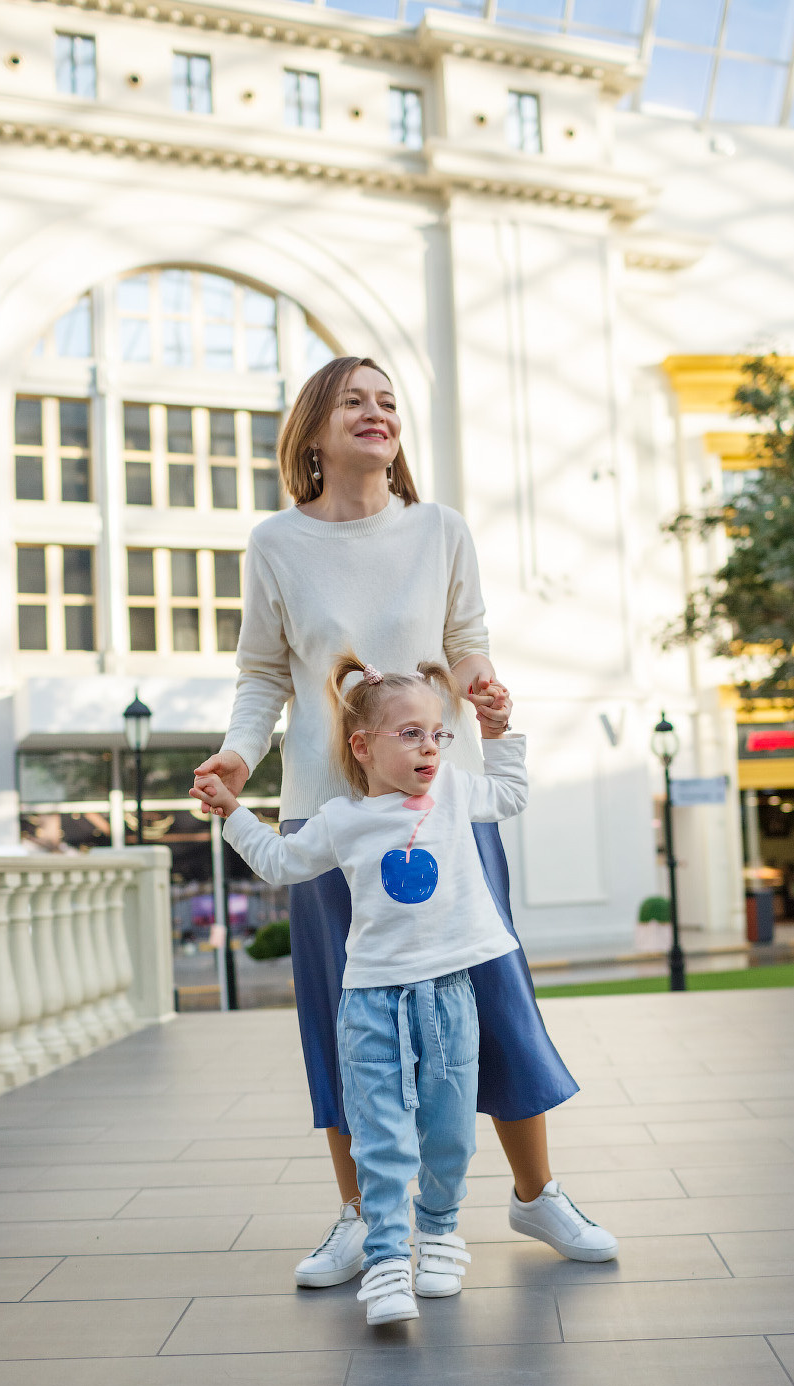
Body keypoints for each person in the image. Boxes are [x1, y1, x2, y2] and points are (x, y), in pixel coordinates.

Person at [193, 354, 617, 1286]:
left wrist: (484, 692)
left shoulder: (440, 530)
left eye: (388, 402)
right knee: (345, 1018)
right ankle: (358, 1215)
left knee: (496, 997)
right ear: (313, 428)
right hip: (325, 815)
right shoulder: (276, 543)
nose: (376, 413)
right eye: (355, 400)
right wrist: (239, 753)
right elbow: (264, 675)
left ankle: (535, 1193)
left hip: (444, 807)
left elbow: (466, 647)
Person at [193, 654, 527, 1324]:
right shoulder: (343, 819)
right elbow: (282, 863)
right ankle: (383, 1262)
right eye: (409, 734)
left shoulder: (458, 793)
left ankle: (436, 1235)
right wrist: (232, 811)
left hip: (450, 997)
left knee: (450, 1131)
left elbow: (512, 795)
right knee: (380, 1136)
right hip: (371, 1002)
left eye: (436, 734)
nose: (429, 747)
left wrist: (497, 731)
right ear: (362, 745)